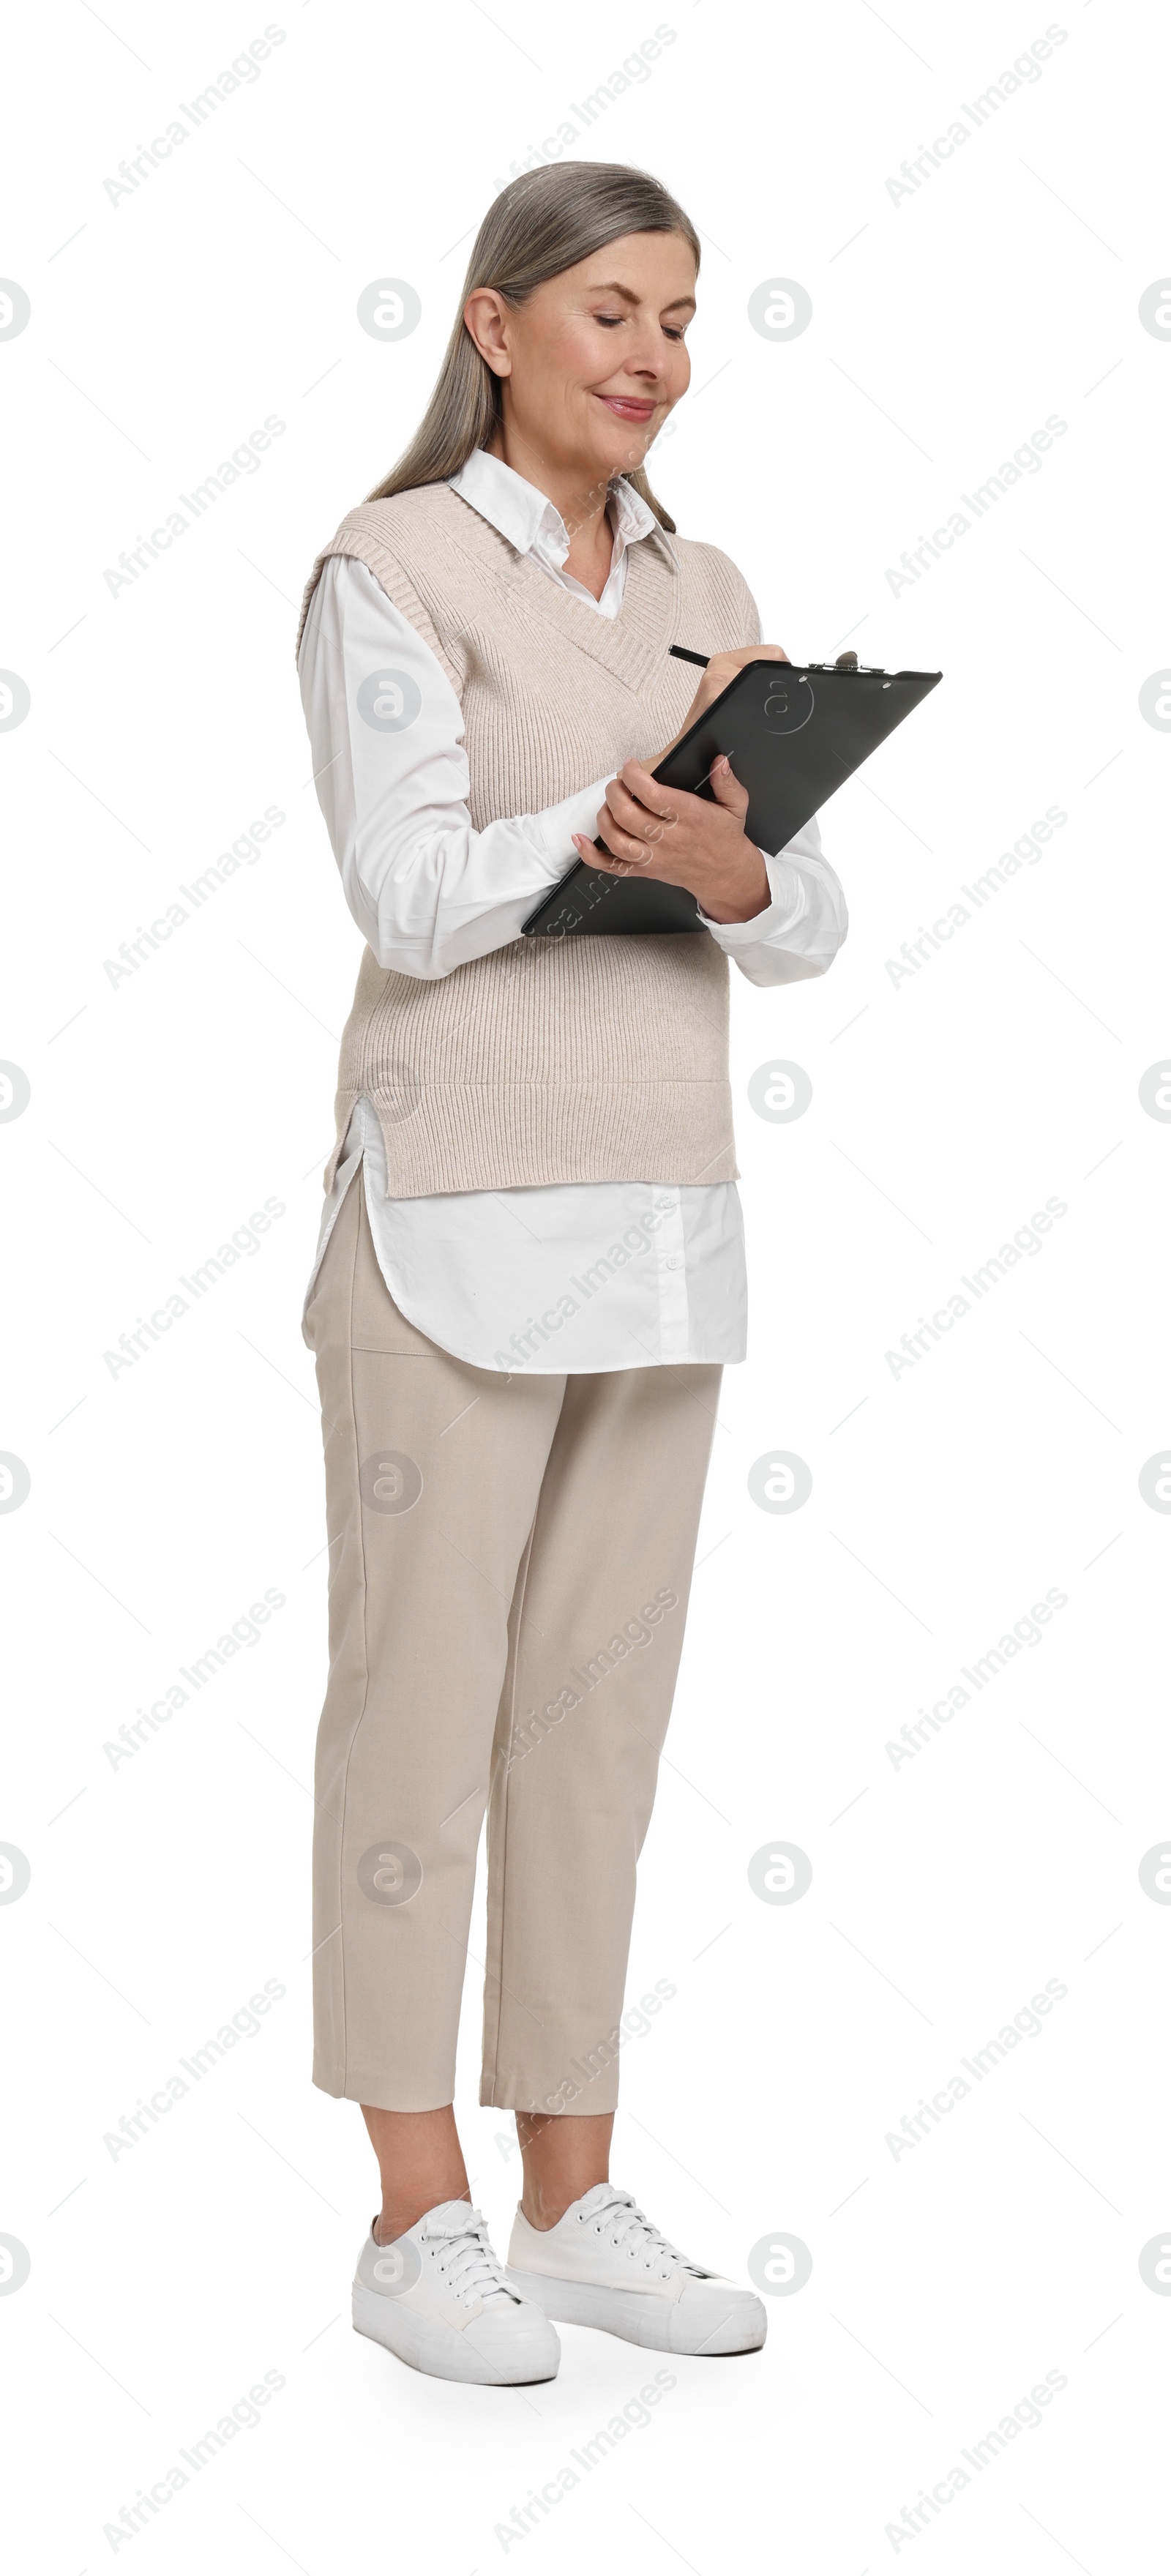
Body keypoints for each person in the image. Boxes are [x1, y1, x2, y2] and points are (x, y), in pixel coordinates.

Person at [297, 160, 847, 2387]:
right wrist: (622, 804)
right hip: (448, 1222)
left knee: (596, 1735)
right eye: (610, 307)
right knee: (416, 1727)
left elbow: (803, 923)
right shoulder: (392, 567)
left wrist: (732, 863)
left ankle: (571, 2186)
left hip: (657, 1218)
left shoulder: (709, 579)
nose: (652, 353)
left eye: (686, 316)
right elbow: (409, 892)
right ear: (494, 325)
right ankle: (416, 2213)